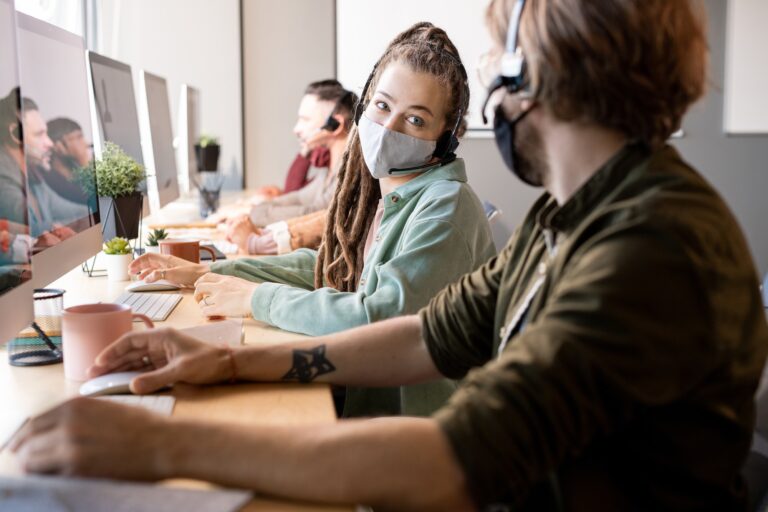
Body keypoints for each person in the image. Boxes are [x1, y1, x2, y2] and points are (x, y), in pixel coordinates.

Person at [12, 1, 768, 511]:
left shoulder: (651, 246)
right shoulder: (571, 212)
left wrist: (163, 443)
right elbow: (427, 332)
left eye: (498, 58)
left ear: (533, 73)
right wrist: (232, 360)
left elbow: (455, 457)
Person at [129, 23, 496, 417]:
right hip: (369, 405)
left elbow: (378, 318)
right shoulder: (393, 194)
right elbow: (330, 268)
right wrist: (212, 271)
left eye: (416, 121)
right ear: (364, 105)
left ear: (447, 138)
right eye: (383, 106)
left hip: (414, 433)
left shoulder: (446, 207)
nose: (388, 128)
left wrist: (256, 299)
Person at [211, 80, 356, 228]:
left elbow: (313, 213)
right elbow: (299, 198)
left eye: (305, 120)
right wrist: (254, 208)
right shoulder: (328, 170)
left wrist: (253, 213)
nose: (296, 129)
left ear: (336, 124)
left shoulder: (350, 170)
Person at [45, 117, 93, 204]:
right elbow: (91, 201)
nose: (86, 143)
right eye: (79, 137)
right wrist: (84, 162)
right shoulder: (51, 179)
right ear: (58, 145)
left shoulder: (75, 168)